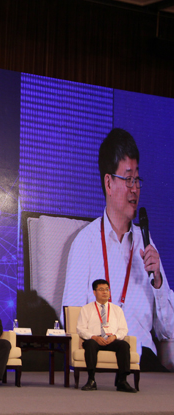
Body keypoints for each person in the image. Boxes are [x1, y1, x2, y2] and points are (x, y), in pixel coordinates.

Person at [62, 128, 174, 369]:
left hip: (144, 360)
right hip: (103, 357)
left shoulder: (146, 243)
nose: (135, 189)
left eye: (137, 180)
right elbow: (70, 319)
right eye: (128, 179)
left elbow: (168, 331)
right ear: (109, 183)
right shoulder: (85, 243)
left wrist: (158, 282)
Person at [77, 279, 136, 392]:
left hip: (111, 340)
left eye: (107, 289)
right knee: (90, 344)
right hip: (94, 340)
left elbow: (124, 329)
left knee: (124, 345)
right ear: (94, 292)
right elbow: (80, 329)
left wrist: (114, 337)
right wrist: (94, 337)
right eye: (101, 289)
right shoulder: (86, 309)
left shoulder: (117, 309)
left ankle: (122, 381)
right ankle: (91, 380)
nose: (105, 292)